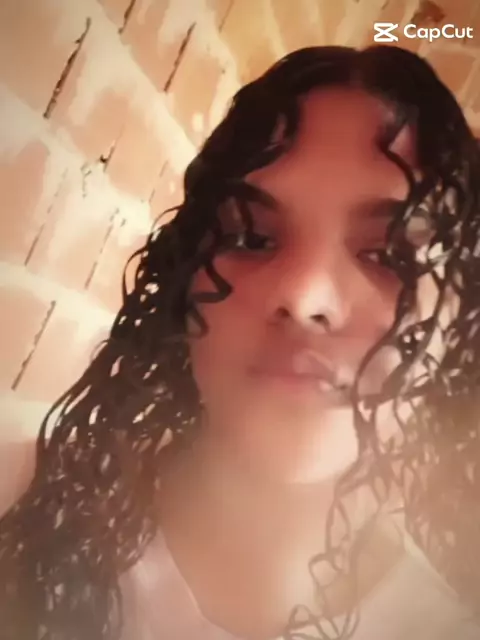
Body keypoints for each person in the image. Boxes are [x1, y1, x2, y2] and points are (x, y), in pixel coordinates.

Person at [1, 44, 480, 640]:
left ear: (460, 322)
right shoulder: (17, 504)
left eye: (391, 257)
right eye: (251, 238)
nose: (304, 296)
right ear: (184, 281)